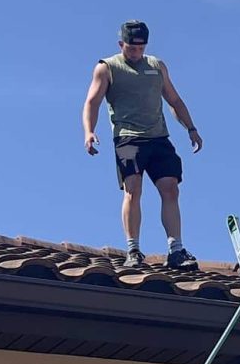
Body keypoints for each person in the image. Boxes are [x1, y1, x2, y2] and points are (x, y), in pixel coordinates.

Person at [82, 20, 203, 268]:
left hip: (158, 137)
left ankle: (176, 250)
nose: (136, 53)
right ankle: (133, 250)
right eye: (131, 48)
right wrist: (89, 132)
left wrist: (191, 128)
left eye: (140, 48)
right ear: (121, 44)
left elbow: (174, 100)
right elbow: (92, 102)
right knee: (133, 188)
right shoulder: (107, 67)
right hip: (128, 137)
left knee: (171, 188)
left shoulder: (156, 66)